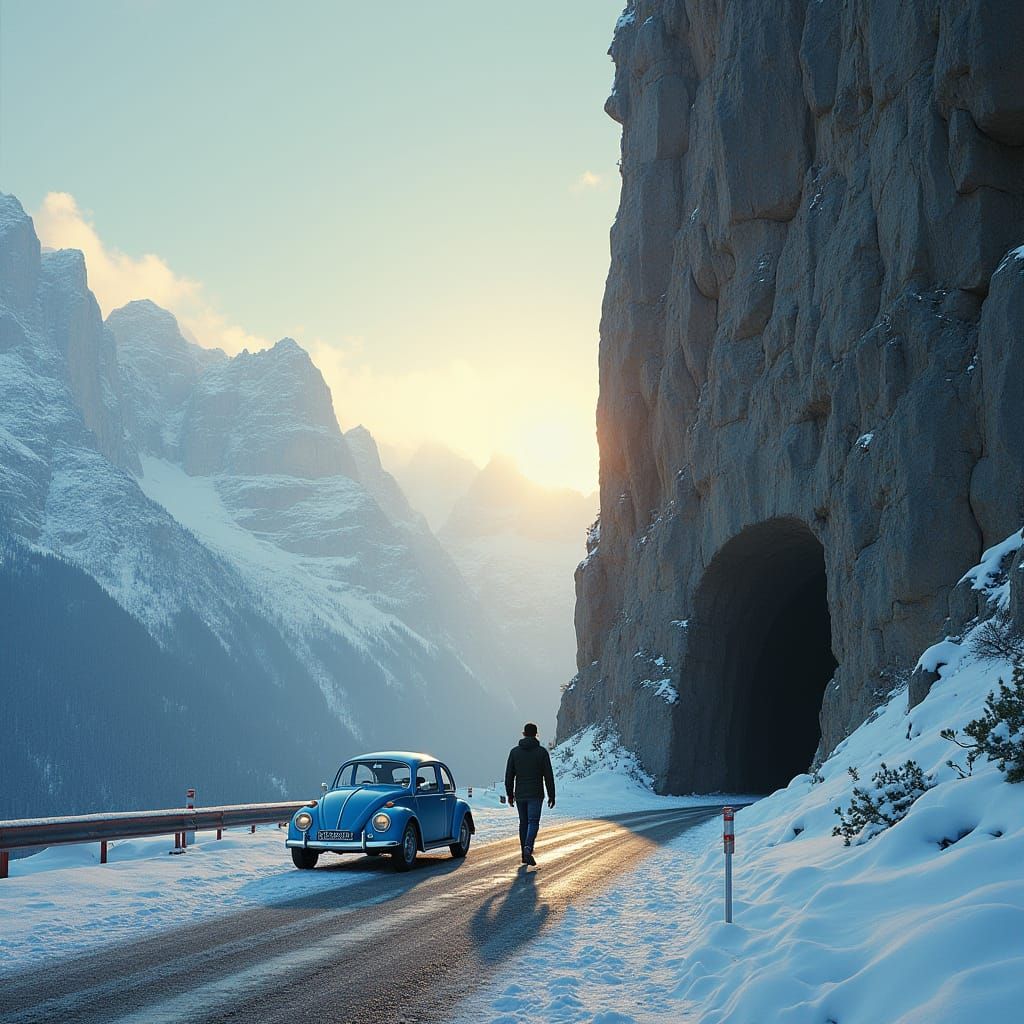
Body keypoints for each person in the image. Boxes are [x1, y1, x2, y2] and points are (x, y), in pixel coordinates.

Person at [505, 722, 556, 866]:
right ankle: (528, 848)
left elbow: (509, 775)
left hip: (520, 794)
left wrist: (510, 794)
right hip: (536, 794)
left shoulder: (514, 752)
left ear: (523, 734)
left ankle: (524, 853)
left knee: (524, 823)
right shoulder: (542, 752)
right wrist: (552, 795)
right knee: (533, 822)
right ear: (536, 734)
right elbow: (548, 776)